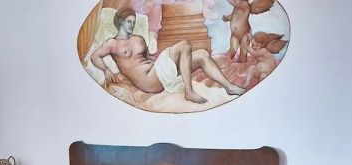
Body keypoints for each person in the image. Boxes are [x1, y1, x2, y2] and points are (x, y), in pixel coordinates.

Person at [91, 8, 245, 104]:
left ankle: (229, 87)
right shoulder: (112, 43)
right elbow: (95, 56)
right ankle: (189, 92)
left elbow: (149, 58)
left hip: (159, 73)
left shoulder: (138, 39)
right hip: (148, 81)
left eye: (134, 22)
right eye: (129, 22)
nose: (132, 25)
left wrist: (170, 59)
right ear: (120, 22)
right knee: (184, 44)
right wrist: (105, 69)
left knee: (202, 55)